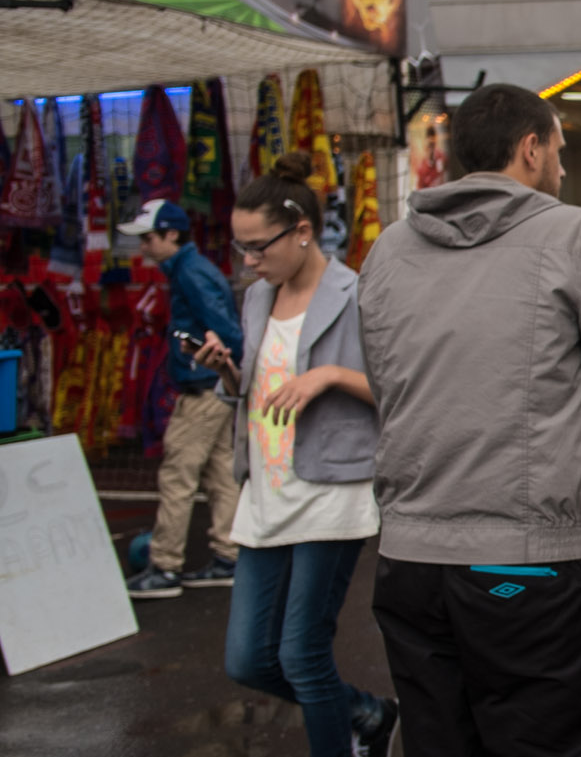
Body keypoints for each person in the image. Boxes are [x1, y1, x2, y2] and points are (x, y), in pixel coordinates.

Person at [357, 83, 581, 757]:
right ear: (530, 148)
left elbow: (393, 390)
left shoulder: (387, 251)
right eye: (558, 152)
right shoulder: (573, 235)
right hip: (528, 562)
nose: (561, 170)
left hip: (408, 560)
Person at [193, 154, 398, 757]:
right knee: (247, 659)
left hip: (331, 491)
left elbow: (396, 388)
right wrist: (229, 374)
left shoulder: (358, 293)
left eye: (258, 247)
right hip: (266, 490)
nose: (250, 260)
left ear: (302, 232)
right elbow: (258, 390)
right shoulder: (258, 298)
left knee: (301, 653)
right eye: (241, 249)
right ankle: (369, 714)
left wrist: (331, 374)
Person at [120, 199, 246, 599]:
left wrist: (214, 365)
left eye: (149, 238)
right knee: (219, 472)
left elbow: (226, 331)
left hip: (203, 387)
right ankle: (228, 553)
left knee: (178, 474)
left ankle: (165, 565)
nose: (144, 247)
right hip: (213, 385)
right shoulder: (192, 269)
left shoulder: (189, 272)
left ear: (171, 234)